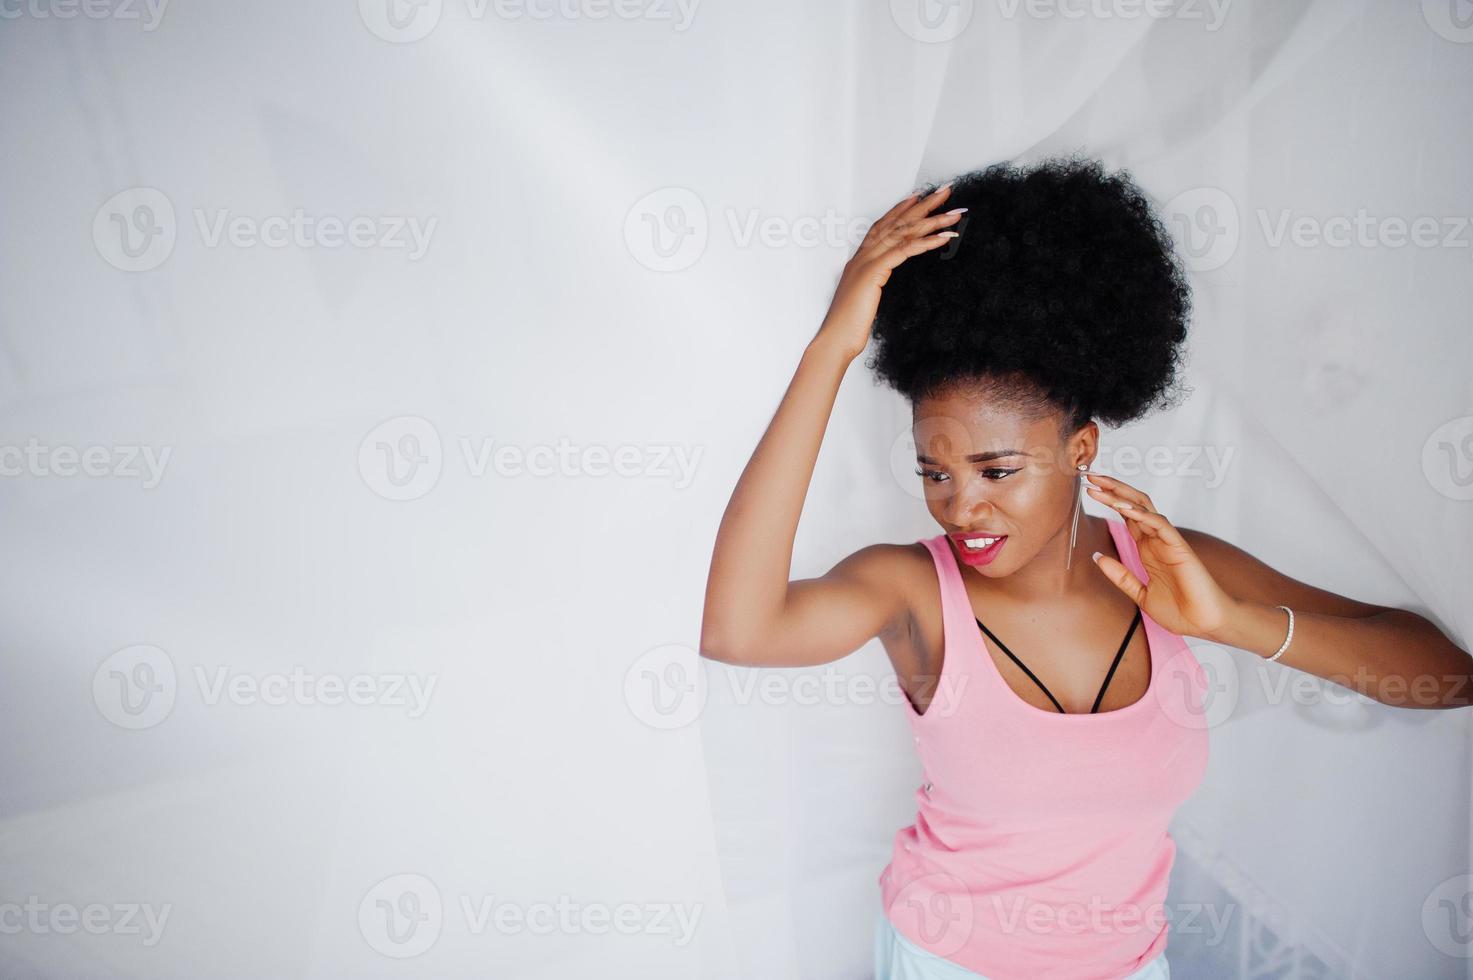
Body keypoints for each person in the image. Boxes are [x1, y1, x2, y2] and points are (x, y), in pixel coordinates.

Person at [698, 155, 1473, 980]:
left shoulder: (1173, 568)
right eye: (934, 473)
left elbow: (1447, 676)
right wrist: (832, 348)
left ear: (1079, 450)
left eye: (997, 472)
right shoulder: (910, 590)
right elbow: (737, 630)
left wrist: (1228, 624)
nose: (961, 508)